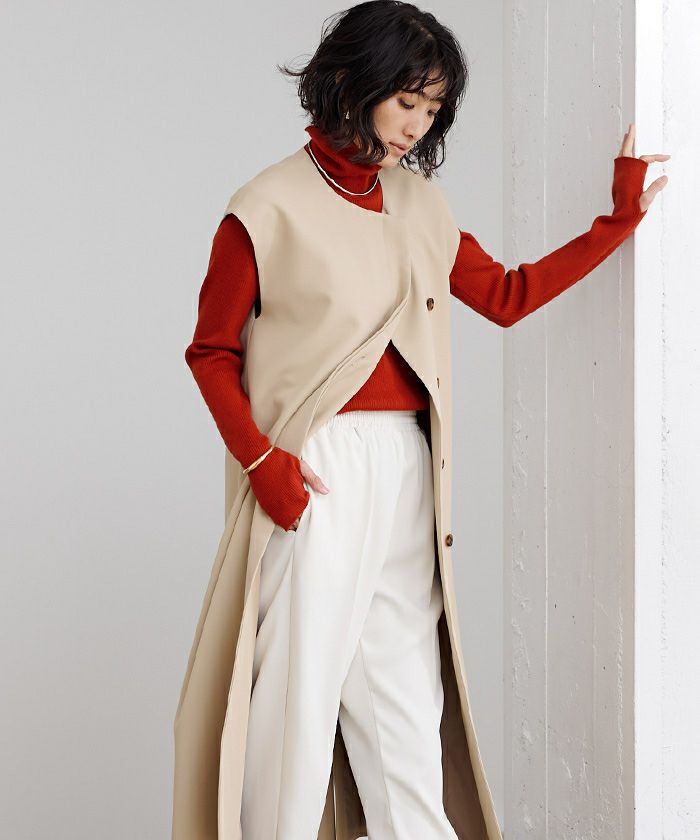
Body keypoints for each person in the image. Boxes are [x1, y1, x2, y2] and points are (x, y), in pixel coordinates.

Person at [179, 2, 669, 838]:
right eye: (406, 101)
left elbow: (508, 296)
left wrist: (618, 219)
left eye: (433, 108)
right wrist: (266, 466)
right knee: (295, 710)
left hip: (411, 465)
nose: (418, 125)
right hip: (319, 470)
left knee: (406, 708)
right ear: (349, 82)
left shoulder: (421, 207)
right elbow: (211, 351)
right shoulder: (265, 207)